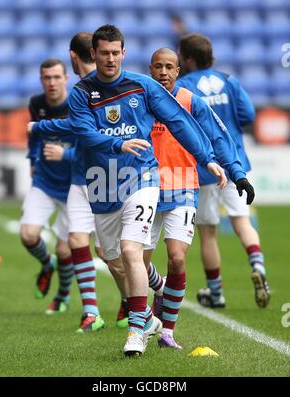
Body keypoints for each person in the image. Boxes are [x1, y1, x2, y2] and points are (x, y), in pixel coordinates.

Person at [29, 25, 227, 357]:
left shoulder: (143, 85)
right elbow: (85, 134)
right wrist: (119, 143)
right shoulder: (81, 93)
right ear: (93, 54)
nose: (109, 59)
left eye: (115, 52)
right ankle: (150, 311)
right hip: (102, 183)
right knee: (111, 257)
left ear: (124, 52)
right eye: (103, 53)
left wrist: (207, 158)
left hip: (143, 177)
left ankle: (136, 329)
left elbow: (178, 120)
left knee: (131, 249)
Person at [142, 47, 255, 349]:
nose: (163, 72)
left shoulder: (192, 101)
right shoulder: (137, 100)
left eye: (169, 67)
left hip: (183, 188)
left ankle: (167, 333)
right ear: (150, 69)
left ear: (179, 72)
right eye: (158, 67)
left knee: (177, 258)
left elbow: (219, 138)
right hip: (145, 189)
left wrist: (237, 172)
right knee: (137, 265)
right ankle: (159, 287)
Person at [177, 33, 270, 308]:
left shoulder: (184, 86)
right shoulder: (228, 80)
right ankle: (258, 266)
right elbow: (249, 116)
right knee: (242, 220)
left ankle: (216, 292)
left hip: (205, 167)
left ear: (189, 59)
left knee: (208, 232)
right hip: (235, 163)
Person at [41, 33, 108, 332]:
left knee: (113, 254)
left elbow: (96, 136)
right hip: (82, 178)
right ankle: (91, 312)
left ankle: (149, 296)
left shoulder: (102, 87)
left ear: (72, 56)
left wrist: (64, 152)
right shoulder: (80, 90)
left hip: (108, 178)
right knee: (76, 241)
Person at [20, 59, 75, 309]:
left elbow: (90, 145)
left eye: (56, 77)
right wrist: (32, 158)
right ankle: (46, 264)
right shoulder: (36, 103)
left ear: (66, 78)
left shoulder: (77, 105)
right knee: (28, 235)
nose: (51, 83)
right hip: (44, 180)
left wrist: (66, 154)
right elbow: (34, 134)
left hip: (73, 187)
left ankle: (62, 296)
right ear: (41, 80)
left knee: (66, 252)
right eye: (46, 78)